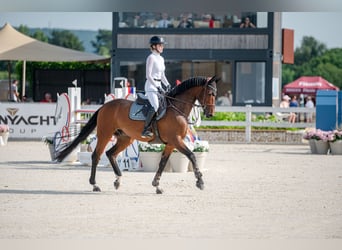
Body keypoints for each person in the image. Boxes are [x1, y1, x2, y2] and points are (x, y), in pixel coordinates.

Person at [141, 36, 171, 138]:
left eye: (162, 45)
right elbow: (148, 76)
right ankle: (145, 129)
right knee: (156, 106)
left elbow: (162, 75)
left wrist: (167, 84)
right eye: (160, 45)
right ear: (154, 46)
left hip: (159, 85)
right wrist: (157, 86)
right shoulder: (151, 58)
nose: (162, 47)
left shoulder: (161, 58)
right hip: (150, 86)